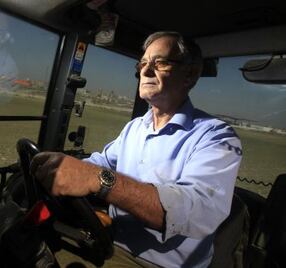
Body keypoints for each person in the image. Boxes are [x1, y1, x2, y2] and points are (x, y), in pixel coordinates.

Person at [30, 31, 242, 267]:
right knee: (24, 242)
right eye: (142, 63)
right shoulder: (136, 127)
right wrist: (64, 168)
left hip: (157, 263)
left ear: (190, 74)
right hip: (108, 240)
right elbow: (102, 163)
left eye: (159, 62)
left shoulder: (215, 136)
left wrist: (98, 179)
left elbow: (198, 210)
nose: (146, 71)